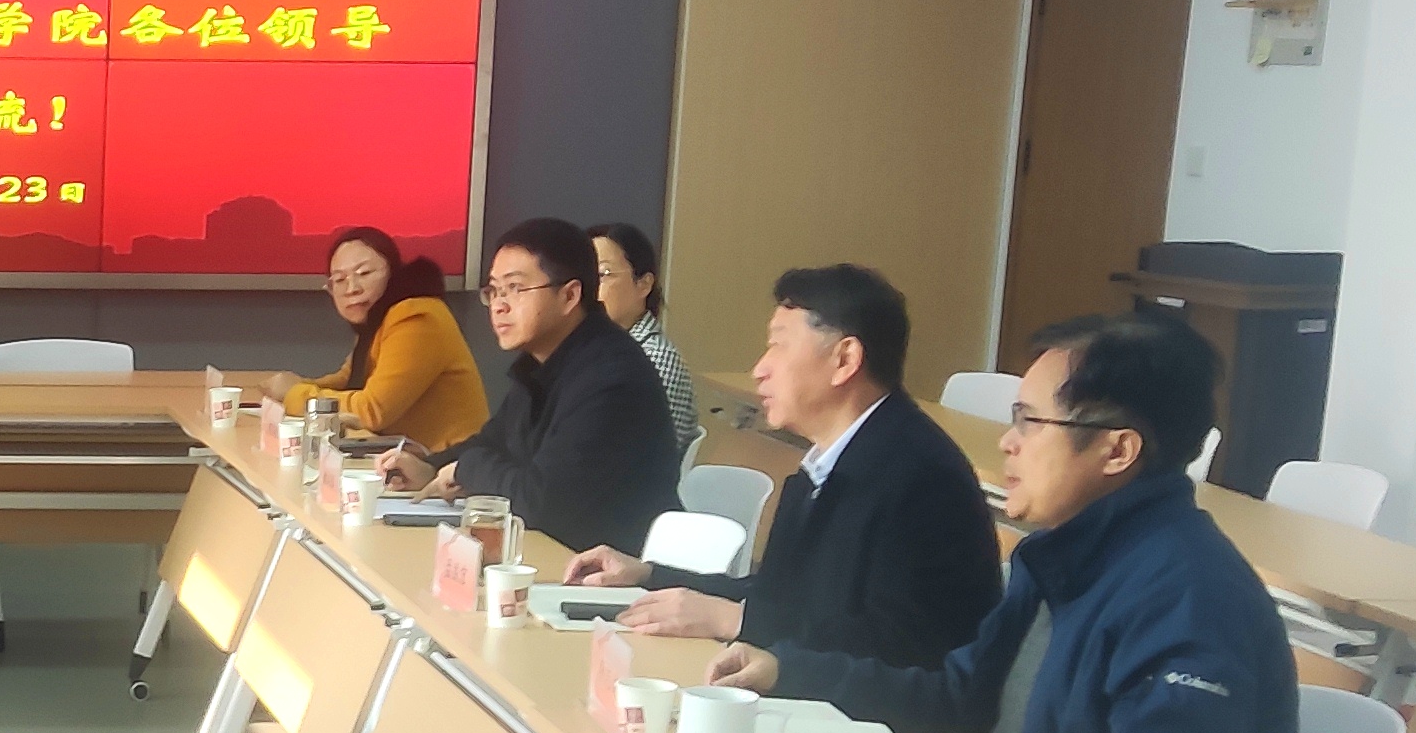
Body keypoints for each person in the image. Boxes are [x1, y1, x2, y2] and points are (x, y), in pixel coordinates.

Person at [712, 313, 1294, 733]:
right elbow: (955, 700)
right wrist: (789, 670)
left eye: (1030, 422)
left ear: (1117, 450)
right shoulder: (1057, 556)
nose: (1007, 443)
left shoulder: (1194, 597)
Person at [561, 262, 998, 667]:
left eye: (778, 346)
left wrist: (735, 620)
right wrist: (648, 575)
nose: (760, 369)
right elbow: (779, 596)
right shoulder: (829, 460)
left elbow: (897, 646)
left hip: (882, 723)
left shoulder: (917, 476)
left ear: (845, 360)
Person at [387, 219, 682, 560]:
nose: (499, 305)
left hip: (608, 574)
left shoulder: (612, 378)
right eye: (494, 290)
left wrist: (465, 469)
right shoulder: (545, 361)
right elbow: (493, 442)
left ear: (569, 295)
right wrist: (430, 466)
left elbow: (540, 502)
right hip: (552, 555)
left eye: (515, 288)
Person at [298, 224, 488, 453]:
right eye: (339, 280)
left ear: (392, 273)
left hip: (449, 465)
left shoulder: (416, 316)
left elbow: (372, 410)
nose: (352, 288)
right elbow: (348, 379)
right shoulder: (377, 320)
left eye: (364, 273)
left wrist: (297, 396)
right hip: (407, 459)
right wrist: (295, 385)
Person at [590, 223, 702, 452]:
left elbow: (634, 454)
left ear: (643, 284)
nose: (589, 288)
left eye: (602, 275)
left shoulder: (655, 357)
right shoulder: (596, 351)